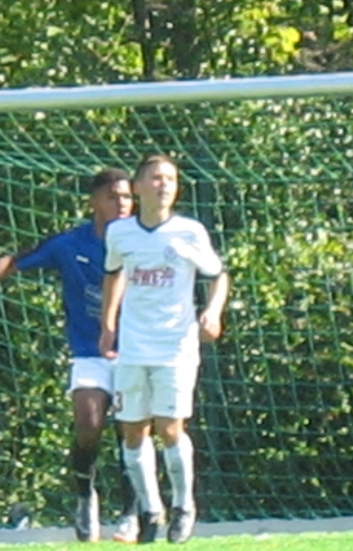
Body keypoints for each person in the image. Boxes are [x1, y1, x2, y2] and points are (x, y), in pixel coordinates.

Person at [0, 168, 140, 544]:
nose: (122, 204)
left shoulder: (141, 241)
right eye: (113, 196)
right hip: (90, 354)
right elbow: (15, 261)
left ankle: (131, 513)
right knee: (88, 421)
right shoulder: (70, 244)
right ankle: (85, 495)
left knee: (131, 431)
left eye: (127, 197)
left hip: (136, 352)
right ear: (93, 202)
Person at [99, 154, 230, 545]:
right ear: (138, 187)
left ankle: (184, 506)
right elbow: (113, 275)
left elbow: (218, 276)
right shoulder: (120, 233)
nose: (164, 185)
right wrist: (108, 324)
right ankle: (151, 510)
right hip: (133, 346)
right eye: (155, 178)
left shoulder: (189, 232)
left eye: (170, 178)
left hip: (175, 346)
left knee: (169, 427)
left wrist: (212, 312)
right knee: (132, 430)